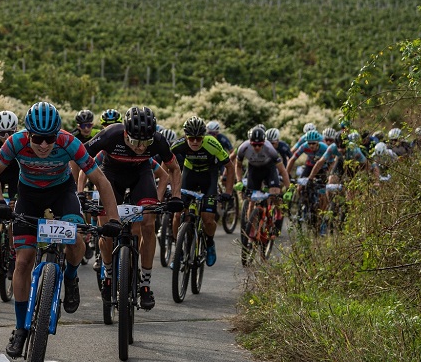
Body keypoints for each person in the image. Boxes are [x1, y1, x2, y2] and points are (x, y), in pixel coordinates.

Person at [0, 101, 121, 358]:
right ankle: (21, 328)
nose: (44, 145)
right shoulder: (16, 142)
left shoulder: (69, 142)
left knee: (76, 241)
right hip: (29, 196)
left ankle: (70, 276)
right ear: (28, 134)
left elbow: (100, 179)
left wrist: (113, 219)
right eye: (38, 139)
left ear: (57, 134)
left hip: (62, 193)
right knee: (23, 261)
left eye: (49, 139)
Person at [83, 106, 183, 311]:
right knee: (107, 229)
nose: (139, 148)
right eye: (135, 142)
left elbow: (173, 168)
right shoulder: (111, 134)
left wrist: (175, 197)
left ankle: (145, 284)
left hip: (141, 176)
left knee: (148, 223)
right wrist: (79, 192)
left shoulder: (158, 140)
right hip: (111, 176)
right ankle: (109, 275)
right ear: (126, 133)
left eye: (145, 143)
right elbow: (80, 157)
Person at [169, 116, 229, 266]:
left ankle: (209, 243)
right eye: (191, 138)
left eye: (198, 138)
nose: (195, 142)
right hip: (190, 174)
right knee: (178, 213)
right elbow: (166, 165)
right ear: (186, 136)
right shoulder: (179, 145)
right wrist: (167, 188)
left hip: (209, 176)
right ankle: (178, 251)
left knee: (208, 218)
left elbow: (230, 166)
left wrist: (228, 192)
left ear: (203, 136)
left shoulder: (212, 144)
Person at [228, 126, 290, 239]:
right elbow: (238, 165)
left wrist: (288, 188)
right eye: (254, 144)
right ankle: (251, 227)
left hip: (269, 169)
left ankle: (277, 213)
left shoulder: (270, 149)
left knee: (275, 193)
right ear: (249, 142)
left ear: (264, 142)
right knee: (251, 201)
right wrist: (239, 181)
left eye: (259, 144)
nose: (257, 147)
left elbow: (282, 170)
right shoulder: (244, 147)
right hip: (254, 170)